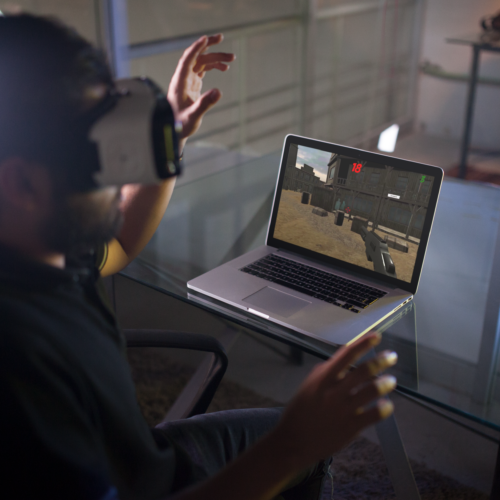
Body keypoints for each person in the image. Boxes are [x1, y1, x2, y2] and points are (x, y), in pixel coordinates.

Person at [0, 13, 398, 500]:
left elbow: (119, 245)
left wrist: (171, 139)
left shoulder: (38, 244)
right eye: (98, 156)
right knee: (298, 444)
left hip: (144, 459)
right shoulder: (19, 366)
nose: (121, 171)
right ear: (21, 183)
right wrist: (291, 446)